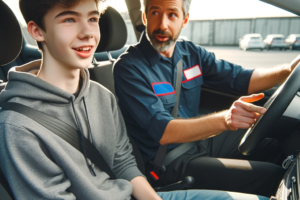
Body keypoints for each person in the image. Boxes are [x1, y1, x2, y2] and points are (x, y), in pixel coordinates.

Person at [0, 0, 271, 199]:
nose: (88, 33)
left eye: (92, 19)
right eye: (69, 19)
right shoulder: (18, 125)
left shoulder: (101, 96)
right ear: (37, 31)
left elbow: (123, 163)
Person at [113, 0, 300, 197]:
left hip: (200, 141)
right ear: (144, 17)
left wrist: (289, 70)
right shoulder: (129, 67)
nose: (163, 24)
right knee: (272, 176)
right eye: (155, 13)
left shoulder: (190, 53)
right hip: (168, 162)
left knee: (279, 142)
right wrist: (225, 120)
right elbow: (164, 132)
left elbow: (242, 78)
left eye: (172, 15)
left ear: (184, 20)